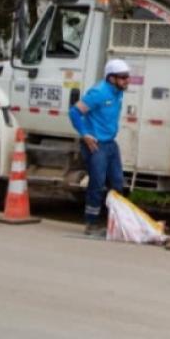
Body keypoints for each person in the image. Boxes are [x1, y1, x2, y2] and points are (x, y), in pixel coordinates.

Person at [69, 58, 133, 235]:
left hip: (110, 144)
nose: (127, 81)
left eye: (128, 77)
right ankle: (91, 223)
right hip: (96, 145)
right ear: (111, 78)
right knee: (96, 183)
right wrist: (85, 134)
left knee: (118, 184)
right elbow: (74, 112)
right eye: (123, 77)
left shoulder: (117, 92)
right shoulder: (98, 93)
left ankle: (116, 222)